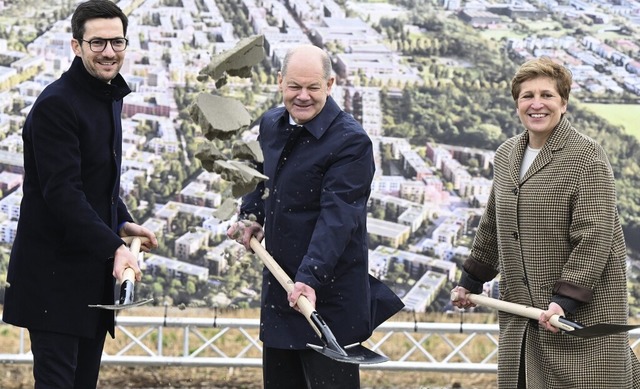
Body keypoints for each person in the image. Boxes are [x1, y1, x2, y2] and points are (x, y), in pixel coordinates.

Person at [451, 56, 640, 388]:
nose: (537, 104)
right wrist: (471, 280)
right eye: (527, 96)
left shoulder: (587, 157)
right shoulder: (506, 155)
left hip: (578, 318)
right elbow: (493, 225)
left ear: (563, 103)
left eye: (547, 95)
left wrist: (564, 300)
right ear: (517, 104)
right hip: (523, 314)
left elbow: (595, 236)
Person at [227, 44, 403, 389]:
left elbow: (338, 219)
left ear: (330, 84)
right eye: (294, 86)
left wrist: (310, 277)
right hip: (282, 289)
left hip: (327, 297)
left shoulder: (351, 142)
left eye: (313, 87)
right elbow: (259, 179)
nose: (303, 96)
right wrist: (250, 214)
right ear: (280, 82)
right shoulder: (271, 125)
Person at [2, 1, 158, 388]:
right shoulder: (57, 104)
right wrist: (115, 247)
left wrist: (123, 222)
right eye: (98, 43)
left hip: (88, 274)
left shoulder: (107, 96)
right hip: (53, 280)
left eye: (117, 42)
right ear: (76, 46)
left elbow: (96, 182)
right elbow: (63, 193)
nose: (109, 52)